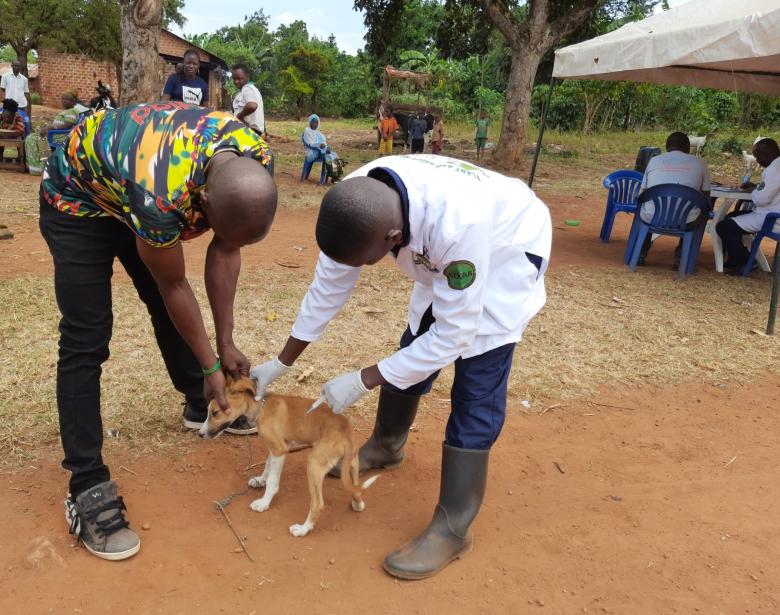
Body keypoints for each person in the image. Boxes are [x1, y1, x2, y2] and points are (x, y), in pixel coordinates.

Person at [250, 154, 551, 579]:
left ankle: (453, 526)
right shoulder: (354, 201)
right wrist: (282, 362)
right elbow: (327, 289)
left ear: (393, 237)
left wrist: (363, 379)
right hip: (443, 252)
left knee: (476, 378)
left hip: (508, 249)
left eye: (366, 261)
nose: (357, 269)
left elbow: (455, 335)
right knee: (416, 340)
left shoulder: (456, 226)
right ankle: (387, 447)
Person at [39, 101, 277, 561]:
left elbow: (226, 250)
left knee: (161, 303)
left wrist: (225, 342)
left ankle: (197, 400)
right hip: (78, 199)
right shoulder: (160, 194)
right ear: (203, 202)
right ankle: (86, 484)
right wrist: (211, 364)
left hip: (132, 182)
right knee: (87, 337)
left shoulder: (255, 160)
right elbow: (174, 284)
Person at [638, 132, 711, 266]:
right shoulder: (700, 163)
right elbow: (706, 196)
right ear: (688, 147)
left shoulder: (654, 160)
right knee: (702, 211)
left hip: (652, 217)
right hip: (687, 221)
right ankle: (681, 259)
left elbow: (645, 191)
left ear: (666, 146)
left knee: (647, 207)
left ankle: (640, 253)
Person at [716, 138, 780, 273]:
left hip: (771, 218)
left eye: (758, 158)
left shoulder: (774, 169)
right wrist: (757, 187)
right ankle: (734, 259)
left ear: (765, 155)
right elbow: (771, 189)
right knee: (731, 217)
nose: (758, 162)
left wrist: (755, 192)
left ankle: (744, 260)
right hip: (772, 213)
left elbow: (762, 198)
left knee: (724, 226)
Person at [231, 63, 265, 137]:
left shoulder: (248, 88)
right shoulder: (245, 90)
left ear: (247, 77)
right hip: (252, 132)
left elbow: (252, 106)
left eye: (239, 78)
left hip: (249, 132)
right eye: (234, 79)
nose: (236, 81)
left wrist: (239, 116)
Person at [301, 114, 329, 185]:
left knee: (327, 153)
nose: (314, 124)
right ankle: (323, 179)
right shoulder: (307, 131)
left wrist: (323, 145)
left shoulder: (318, 133)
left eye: (316, 122)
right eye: (313, 122)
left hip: (318, 151)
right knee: (326, 156)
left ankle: (328, 175)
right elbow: (310, 143)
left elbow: (323, 141)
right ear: (309, 122)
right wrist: (319, 145)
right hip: (310, 153)